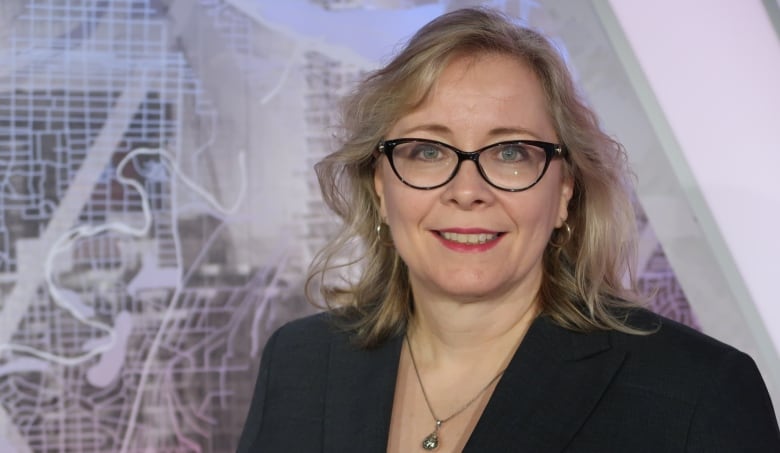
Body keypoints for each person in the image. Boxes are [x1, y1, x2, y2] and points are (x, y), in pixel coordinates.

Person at [237, 7, 780, 452]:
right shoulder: (298, 363)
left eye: (511, 152)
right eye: (427, 150)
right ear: (381, 186)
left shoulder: (697, 394)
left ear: (565, 190)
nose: (468, 189)